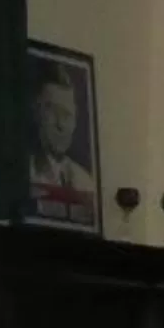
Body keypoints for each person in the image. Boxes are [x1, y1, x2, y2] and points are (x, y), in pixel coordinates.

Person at [28, 61, 96, 216]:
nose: (61, 125)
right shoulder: (21, 172)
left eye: (68, 115)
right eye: (53, 112)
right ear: (36, 112)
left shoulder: (84, 182)